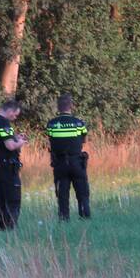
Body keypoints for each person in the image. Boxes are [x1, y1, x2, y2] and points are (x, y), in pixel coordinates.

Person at [0, 99, 29, 230]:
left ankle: (0, 228)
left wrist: (15, 137)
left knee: (1, 199)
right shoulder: (4, 124)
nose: (15, 117)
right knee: (13, 199)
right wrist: (21, 142)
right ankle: (10, 229)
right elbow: (10, 146)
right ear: (9, 111)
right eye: (15, 115)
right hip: (8, 167)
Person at [45, 93, 90, 221]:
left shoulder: (52, 124)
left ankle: (64, 218)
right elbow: (84, 139)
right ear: (71, 106)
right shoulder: (78, 123)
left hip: (59, 163)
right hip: (77, 161)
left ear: (58, 107)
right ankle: (85, 217)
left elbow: (50, 139)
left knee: (62, 193)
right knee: (82, 192)